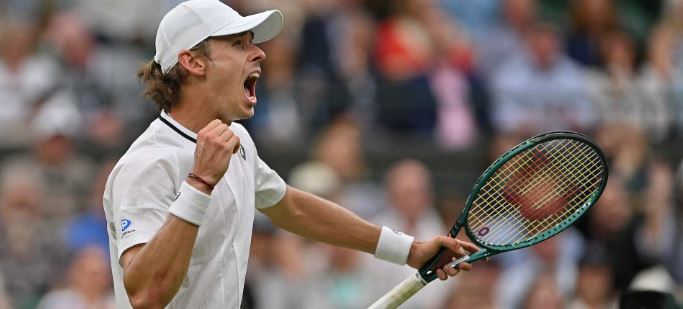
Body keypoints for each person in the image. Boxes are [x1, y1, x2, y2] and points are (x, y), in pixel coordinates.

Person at [103, 1, 477, 308]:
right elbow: (145, 294)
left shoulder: (238, 141)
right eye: (238, 44)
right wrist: (199, 184)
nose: (260, 52)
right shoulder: (146, 165)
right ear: (194, 62)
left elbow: (291, 207)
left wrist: (407, 249)